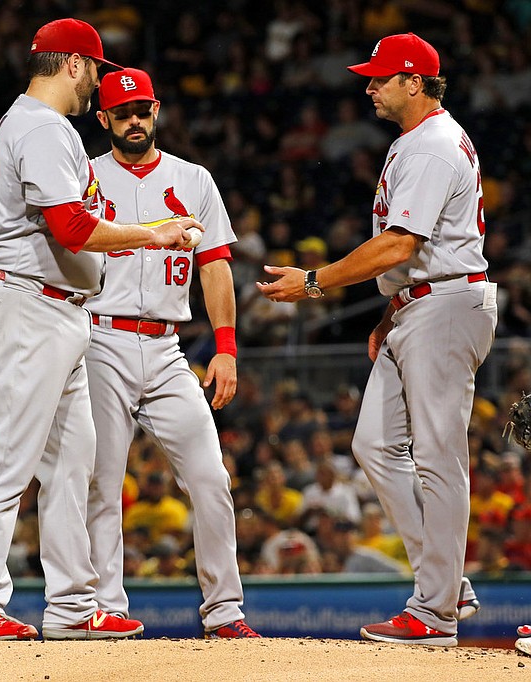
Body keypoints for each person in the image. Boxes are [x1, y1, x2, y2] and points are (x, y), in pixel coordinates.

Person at [0, 19, 201, 641]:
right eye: (95, 67)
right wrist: (155, 232)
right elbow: (70, 227)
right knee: (10, 457)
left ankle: (71, 604)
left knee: (74, 463)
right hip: (27, 304)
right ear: (73, 65)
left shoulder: (40, 126)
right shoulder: (40, 127)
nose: (100, 78)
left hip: (57, 308)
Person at [257, 33, 497, 646]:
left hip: (446, 304)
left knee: (439, 457)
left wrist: (314, 282)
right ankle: (443, 582)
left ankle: (436, 609)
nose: (369, 86)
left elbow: (399, 245)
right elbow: (406, 256)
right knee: (374, 447)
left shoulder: (434, 146)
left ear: (414, 81)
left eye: (380, 78)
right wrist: (392, 307)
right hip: (421, 302)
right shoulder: (415, 143)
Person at [85, 67, 260, 639]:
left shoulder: (194, 178)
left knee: (211, 477)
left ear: (155, 111)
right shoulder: (83, 177)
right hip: (100, 337)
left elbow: (215, 267)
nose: (134, 120)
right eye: (122, 112)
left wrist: (226, 347)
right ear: (103, 117)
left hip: (166, 346)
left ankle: (225, 611)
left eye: (142, 110)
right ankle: (105, 605)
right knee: (102, 480)